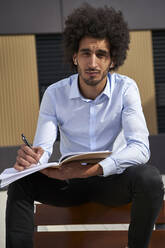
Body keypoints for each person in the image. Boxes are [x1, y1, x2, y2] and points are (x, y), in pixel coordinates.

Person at [6, 4, 164, 248]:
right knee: (20, 182)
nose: (92, 62)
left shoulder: (126, 89)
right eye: (85, 53)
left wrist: (93, 169)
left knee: (150, 178)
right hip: (70, 183)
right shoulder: (54, 94)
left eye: (101, 54)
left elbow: (140, 148)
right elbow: (44, 149)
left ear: (112, 60)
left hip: (113, 180)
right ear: (74, 57)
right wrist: (32, 159)